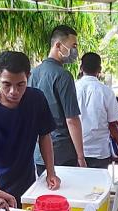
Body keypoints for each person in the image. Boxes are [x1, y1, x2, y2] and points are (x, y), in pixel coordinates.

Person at [0, 51, 61, 209]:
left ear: (28, 76)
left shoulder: (37, 99)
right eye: (6, 84)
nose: (14, 91)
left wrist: (51, 172)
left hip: (26, 189)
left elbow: (45, 136)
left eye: (20, 84)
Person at [29, 25, 85, 172]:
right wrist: (81, 156)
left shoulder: (34, 73)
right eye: (73, 46)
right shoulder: (63, 76)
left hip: (39, 152)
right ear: (58, 45)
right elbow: (72, 120)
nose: (75, 52)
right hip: (62, 152)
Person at [76, 52, 118, 169]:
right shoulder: (106, 91)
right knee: (97, 187)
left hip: (75, 150)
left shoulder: (72, 88)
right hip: (100, 151)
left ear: (81, 68)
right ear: (99, 69)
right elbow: (113, 124)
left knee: (77, 186)